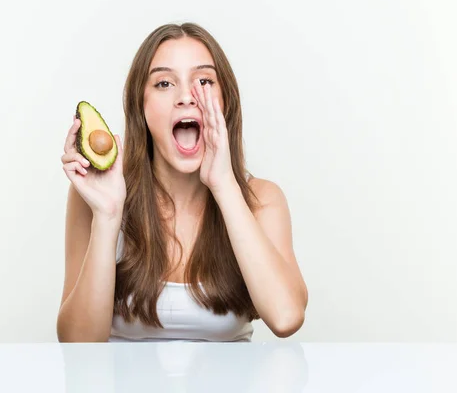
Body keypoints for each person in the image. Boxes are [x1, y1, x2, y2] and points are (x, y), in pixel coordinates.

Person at [57, 22, 308, 342]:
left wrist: (224, 185)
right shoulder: (95, 195)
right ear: (141, 106)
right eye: (164, 83)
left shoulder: (262, 199)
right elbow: (77, 345)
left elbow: (286, 317)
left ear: (225, 102)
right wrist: (107, 217)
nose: (186, 97)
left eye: (204, 81)